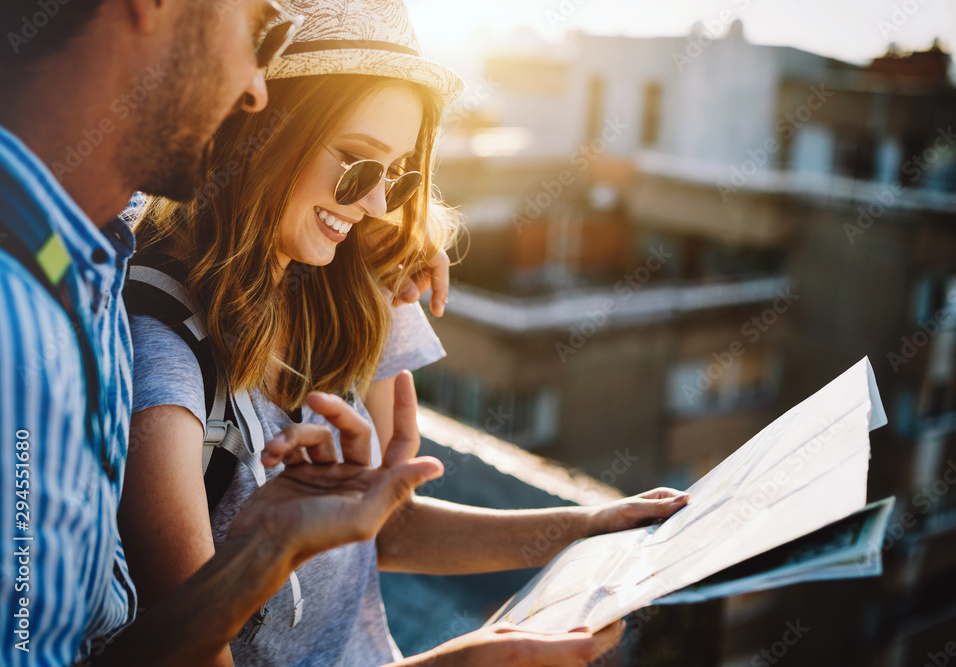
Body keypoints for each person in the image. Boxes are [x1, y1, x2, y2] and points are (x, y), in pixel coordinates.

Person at [119, 1, 691, 665]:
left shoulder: (343, 288)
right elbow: (184, 654)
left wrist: (584, 526)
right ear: (259, 125)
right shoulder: (160, 358)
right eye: (358, 164)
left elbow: (378, 528)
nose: (377, 206)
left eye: (398, 175)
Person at [0, 0, 447, 664]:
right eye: (257, 31)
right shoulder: (54, 320)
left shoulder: (81, 251)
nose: (254, 89)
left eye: (397, 178)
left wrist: (389, 243)